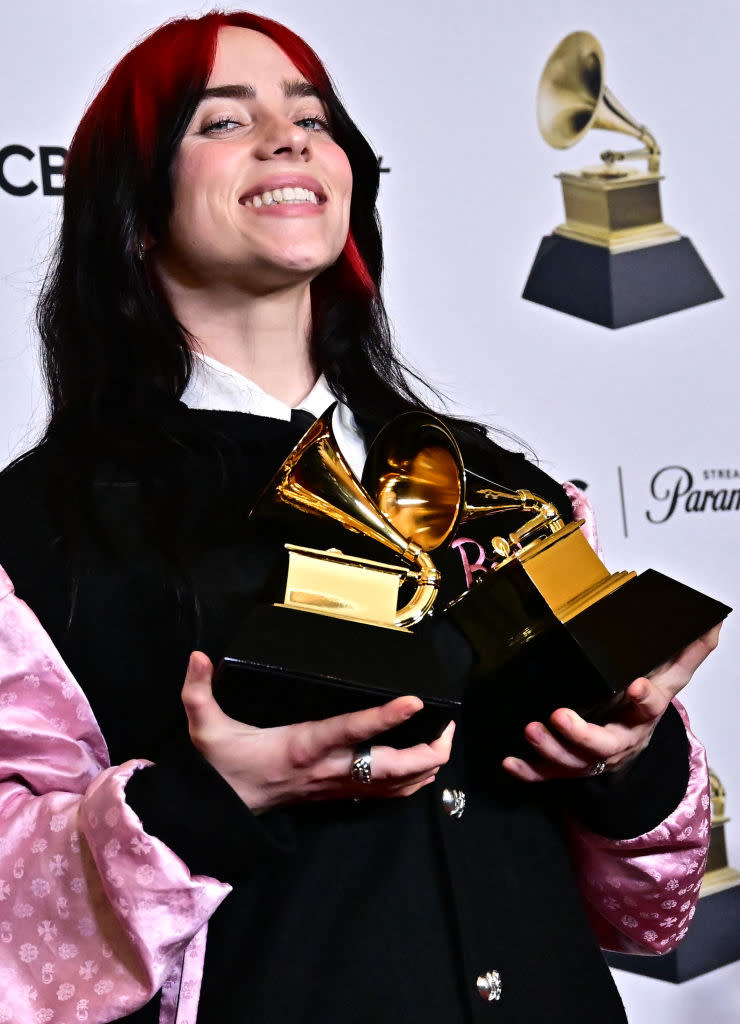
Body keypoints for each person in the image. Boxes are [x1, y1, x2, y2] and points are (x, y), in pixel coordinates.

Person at [0, 11, 718, 1023]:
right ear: (135, 210)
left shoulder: (504, 486)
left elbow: (649, 913)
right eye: (220, 121)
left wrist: (625, 757)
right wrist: (208, 805)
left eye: (310, 117)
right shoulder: (37, 536)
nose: (289, 138)